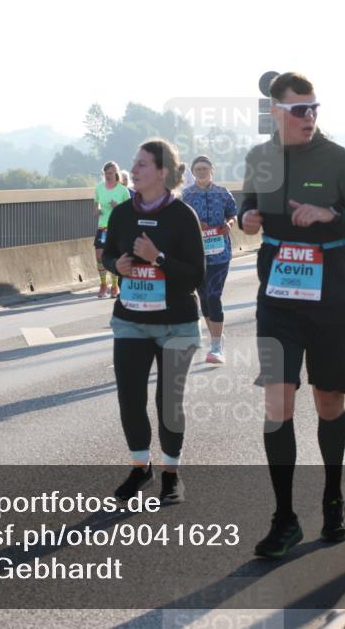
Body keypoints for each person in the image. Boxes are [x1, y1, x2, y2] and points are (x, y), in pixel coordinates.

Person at [238, 72, 345, 558]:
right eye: (299, 109)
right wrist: (247, 218)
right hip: (278, 292)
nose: (309, 117)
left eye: (314, 108)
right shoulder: (260, 159)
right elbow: (248, 206)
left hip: (329, 291)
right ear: (275, 113)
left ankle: (333, 496)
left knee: (328, 403)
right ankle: (284, 518)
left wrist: (330, 217)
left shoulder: (339, 159)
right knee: (277, 405)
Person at [101, 139, 204, 506]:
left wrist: (157, 258)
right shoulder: (122, 214)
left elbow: (196, 276)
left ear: (162, 172)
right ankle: (140, 466)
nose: (136, 169)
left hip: (176, 323)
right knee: (130, 398)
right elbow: (109, 253)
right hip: (131, 320)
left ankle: (171, 474)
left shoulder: (182, 216)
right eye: (135, 163)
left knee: (168, 403)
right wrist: (117, 266)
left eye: (143, 164)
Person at [181, 155, 237, 364]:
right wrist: (195, 228)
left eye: (205, 168)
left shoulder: (223, 193)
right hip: (197, 255)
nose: (202, 172)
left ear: (212, 170)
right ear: (193, 172)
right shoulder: (186, 196)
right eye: (198, 169)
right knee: (204, 298)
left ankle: (215, 346)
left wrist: (230, 224)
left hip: (220, 254)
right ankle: (217, 337)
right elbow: (179, 225)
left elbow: (233, 214)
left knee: (214, 296)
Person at [94, 162, 132, 298]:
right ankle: (103, 284)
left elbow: (129, 211)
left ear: (116, 173)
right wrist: (97, 209)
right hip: (103, 227)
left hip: (117, 228)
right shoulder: (99, 188)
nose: (107, 176)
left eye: (110, 173)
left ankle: (114, 285)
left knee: (114, 256)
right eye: (105, 174)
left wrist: (117, 207)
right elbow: (96, 203)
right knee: (99, 255)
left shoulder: (123, 190)